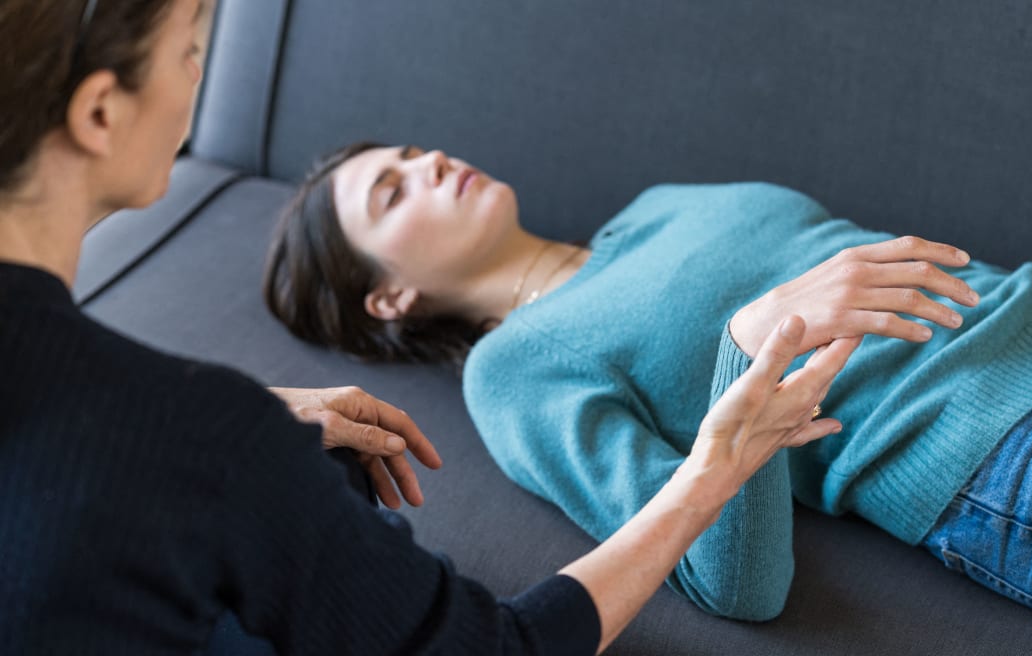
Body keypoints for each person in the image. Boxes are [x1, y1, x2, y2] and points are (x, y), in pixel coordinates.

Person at [0, 1, 858, 653]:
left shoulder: (192, 437)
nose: (199, 78)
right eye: (192, 51)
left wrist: (243, 425)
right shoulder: (214, 442)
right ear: (100, 114)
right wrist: (714, 469)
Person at [264, 141, 1032, 620]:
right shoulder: (514, 370)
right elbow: (733, 584)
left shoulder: (659, 203)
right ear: (389, 298)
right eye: (393, 191)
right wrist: (748, 349)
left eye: (409, 153)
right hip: (991, 441)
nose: (428, 161)